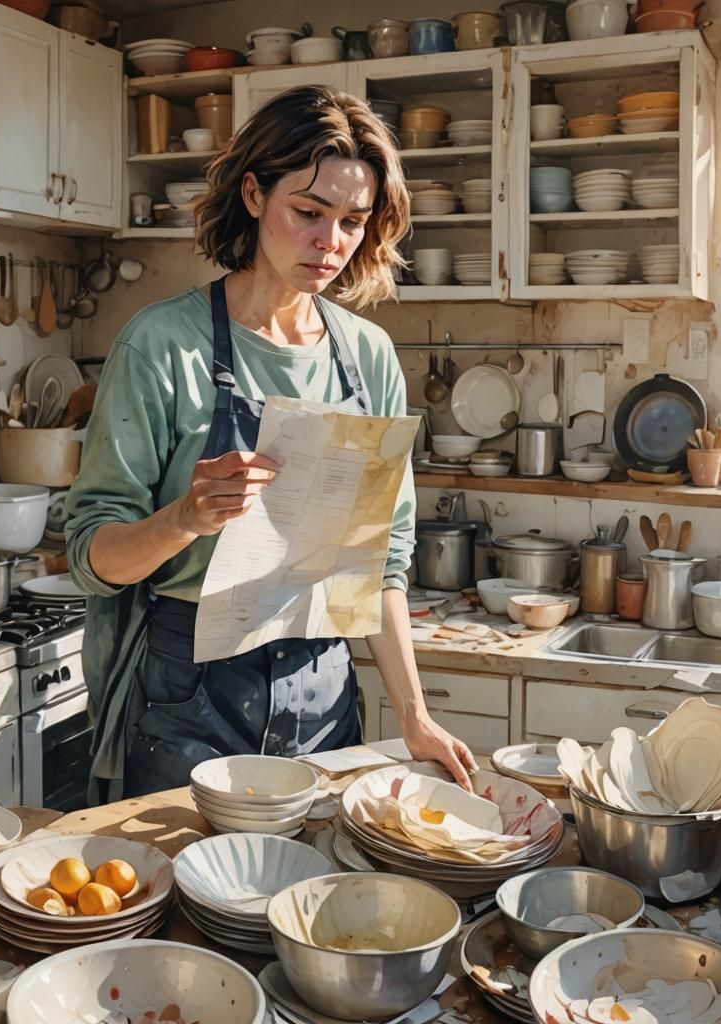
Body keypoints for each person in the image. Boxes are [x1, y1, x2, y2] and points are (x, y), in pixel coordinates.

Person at [66, 85, 476, 803]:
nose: (331, 243)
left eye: (352, 221)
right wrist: (185, 518)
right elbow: (93, 558)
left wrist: (414, 715)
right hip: (188, 690)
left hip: (323, 688)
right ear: (254, 195)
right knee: (191, 908)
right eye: (309, 213)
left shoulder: (369, 357)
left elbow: (384, 560)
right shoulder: (162, 345)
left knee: (309, 903)